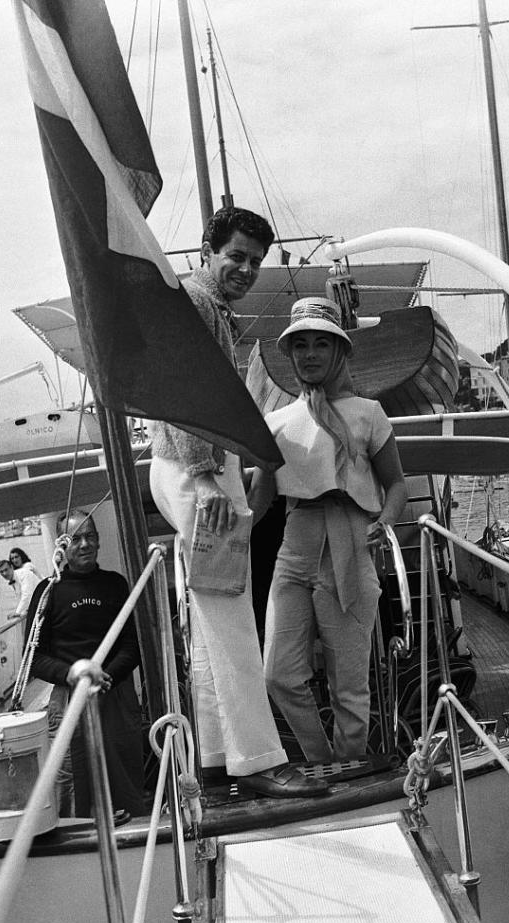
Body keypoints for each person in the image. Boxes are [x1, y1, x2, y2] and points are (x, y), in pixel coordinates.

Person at [148, 206, 327, 798]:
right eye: (237, 257)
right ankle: (261, 760)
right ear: (207, 249)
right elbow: (180, 391)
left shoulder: (208, 308)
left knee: (209, 622)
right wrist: (204, 478)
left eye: (255, 261)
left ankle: (218, 757)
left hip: (193, 465)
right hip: (193, 468)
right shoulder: (197, 304)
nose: (246, 269)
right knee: (230, 617)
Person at [249, 297, 408, 763]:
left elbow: (395, 484)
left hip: (352, 540)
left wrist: (387, 519)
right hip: (295, 541)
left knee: (350, 684)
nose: (311, 354)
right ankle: (322, 762)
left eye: (322, 343)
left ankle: (351, 766)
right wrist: (226, 539)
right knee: (277, 673)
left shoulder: (369, 414)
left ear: (339, 351)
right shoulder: (275, 423)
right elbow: (261, 498)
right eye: (301, 345)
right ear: (290, 354)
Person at [24, 511, 145, 819]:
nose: (85, 544)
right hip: (68, 695)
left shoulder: (115, 585)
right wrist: (72, 675)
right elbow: (34, 659)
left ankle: (134, 828)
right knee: (69, 777)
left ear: (99, 542)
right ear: (61, 546)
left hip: (114, 691)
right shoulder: (47, 591)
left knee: (124, 771)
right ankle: (76, 831)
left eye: (90, 536)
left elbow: (132, 647)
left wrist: (106, 677)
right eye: (75, 538)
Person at [7, 548, 42, 620]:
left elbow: (27, 592)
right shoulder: (16, 572)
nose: (14, 560)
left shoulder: (27, 567)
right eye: (12, 558)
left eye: (16, 557)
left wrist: (18, 612)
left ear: (22, 556)